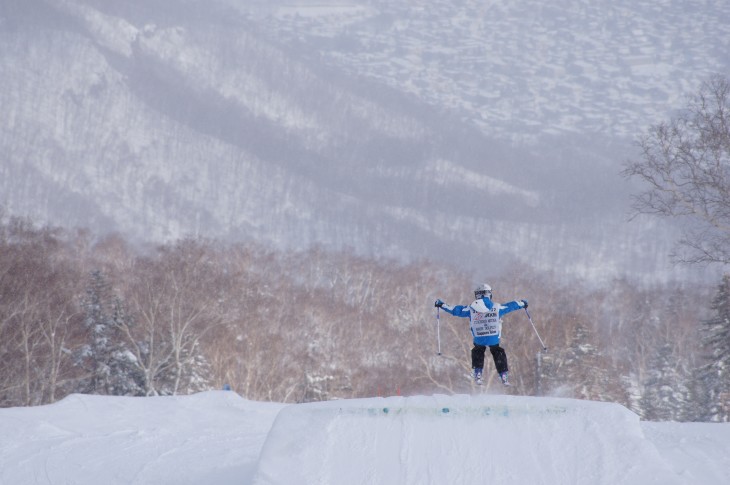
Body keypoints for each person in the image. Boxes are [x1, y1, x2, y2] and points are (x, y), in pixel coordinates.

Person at [435, 283, 527, 386]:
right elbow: (511, 306)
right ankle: (503, 374)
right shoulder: (497, 307)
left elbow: (456, 311)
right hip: (493, 338)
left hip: (479, 338)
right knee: (498, 351)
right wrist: (522, 303)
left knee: (477, 350)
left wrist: (442, 305)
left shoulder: (471, 309)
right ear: (489, 294)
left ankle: (478, 372)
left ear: (478, 295)